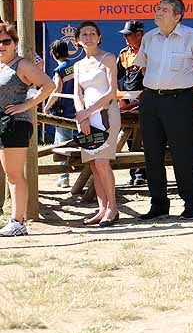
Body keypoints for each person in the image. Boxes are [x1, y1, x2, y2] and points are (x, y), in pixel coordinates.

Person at [133, 0, 193, 220]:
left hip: (179, 100)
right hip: (150, 100)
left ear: (177, 16)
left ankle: (192, 203)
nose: (158, 12)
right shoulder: (149, 37)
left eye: (164, 9)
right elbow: (141, 67)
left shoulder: (192, 37)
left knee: (184, 153)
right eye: (157, 8)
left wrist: (188, 85)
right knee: (151, 154)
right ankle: (158, 203)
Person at [0, 23, 55, 237]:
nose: (2, 45)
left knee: (14, 175)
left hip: (14, 123)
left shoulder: (21, 65)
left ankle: (18, 221)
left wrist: (25, 106)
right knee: (9, 173)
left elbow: (49, 85)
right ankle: (15, 219)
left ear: (15, 43)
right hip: (3, 123)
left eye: (6, 41)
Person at [72, 22, 122, 226]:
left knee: (102, 161)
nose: (89, 37)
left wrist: (89, 111)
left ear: (99, 37)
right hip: (85, 118)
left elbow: (111, 92)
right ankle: (102, 209)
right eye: (84, 34)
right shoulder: (77, 65)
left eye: (93, 33)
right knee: (94, 163)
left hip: (106, 114)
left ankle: (113, 208)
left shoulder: (108, 58)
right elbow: (77, 93)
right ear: (78, 40)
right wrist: (82, 116)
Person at [42, 39, 76, 188]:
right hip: (80, 110)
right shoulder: (75, 66)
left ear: (52, 54)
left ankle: (63, 178)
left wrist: (47, 106)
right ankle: (88, 177)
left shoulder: (60, 70)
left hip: (64, 113)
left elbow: (57, 90)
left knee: (62, 145)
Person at [116, 20, 146, 186]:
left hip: (147, 100)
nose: (125, 38)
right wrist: (122, 99)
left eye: (128, 35)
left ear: (139, 34)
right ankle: (134, 172)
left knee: (145, 138)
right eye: (124, 35)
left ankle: (142, 172)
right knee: (129, 136)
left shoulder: (149, 51)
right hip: (127, 100)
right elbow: (115, 76)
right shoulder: (124, 53)